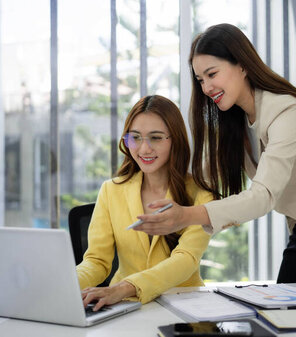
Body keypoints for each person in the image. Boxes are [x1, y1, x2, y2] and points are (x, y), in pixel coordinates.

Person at [133, 24, 296, 315]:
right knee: (283, 316)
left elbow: (263, 196)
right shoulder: (237, 121)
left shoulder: (286, 111)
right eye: (200, 80)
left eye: (212, 74)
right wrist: (155, 165)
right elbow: (203, 177)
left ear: (243, 66)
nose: (206, 87)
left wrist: (184, 216)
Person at [77, 95, 212, 311]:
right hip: (123, 307)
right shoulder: (111, 190)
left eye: (156, 138)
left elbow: (186, 259)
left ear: (175, 139)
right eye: (135, 137)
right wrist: (68, 283)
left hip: (183, 307)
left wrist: (124, 287)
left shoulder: (201, 194)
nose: (143, 149)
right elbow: (97, 261)